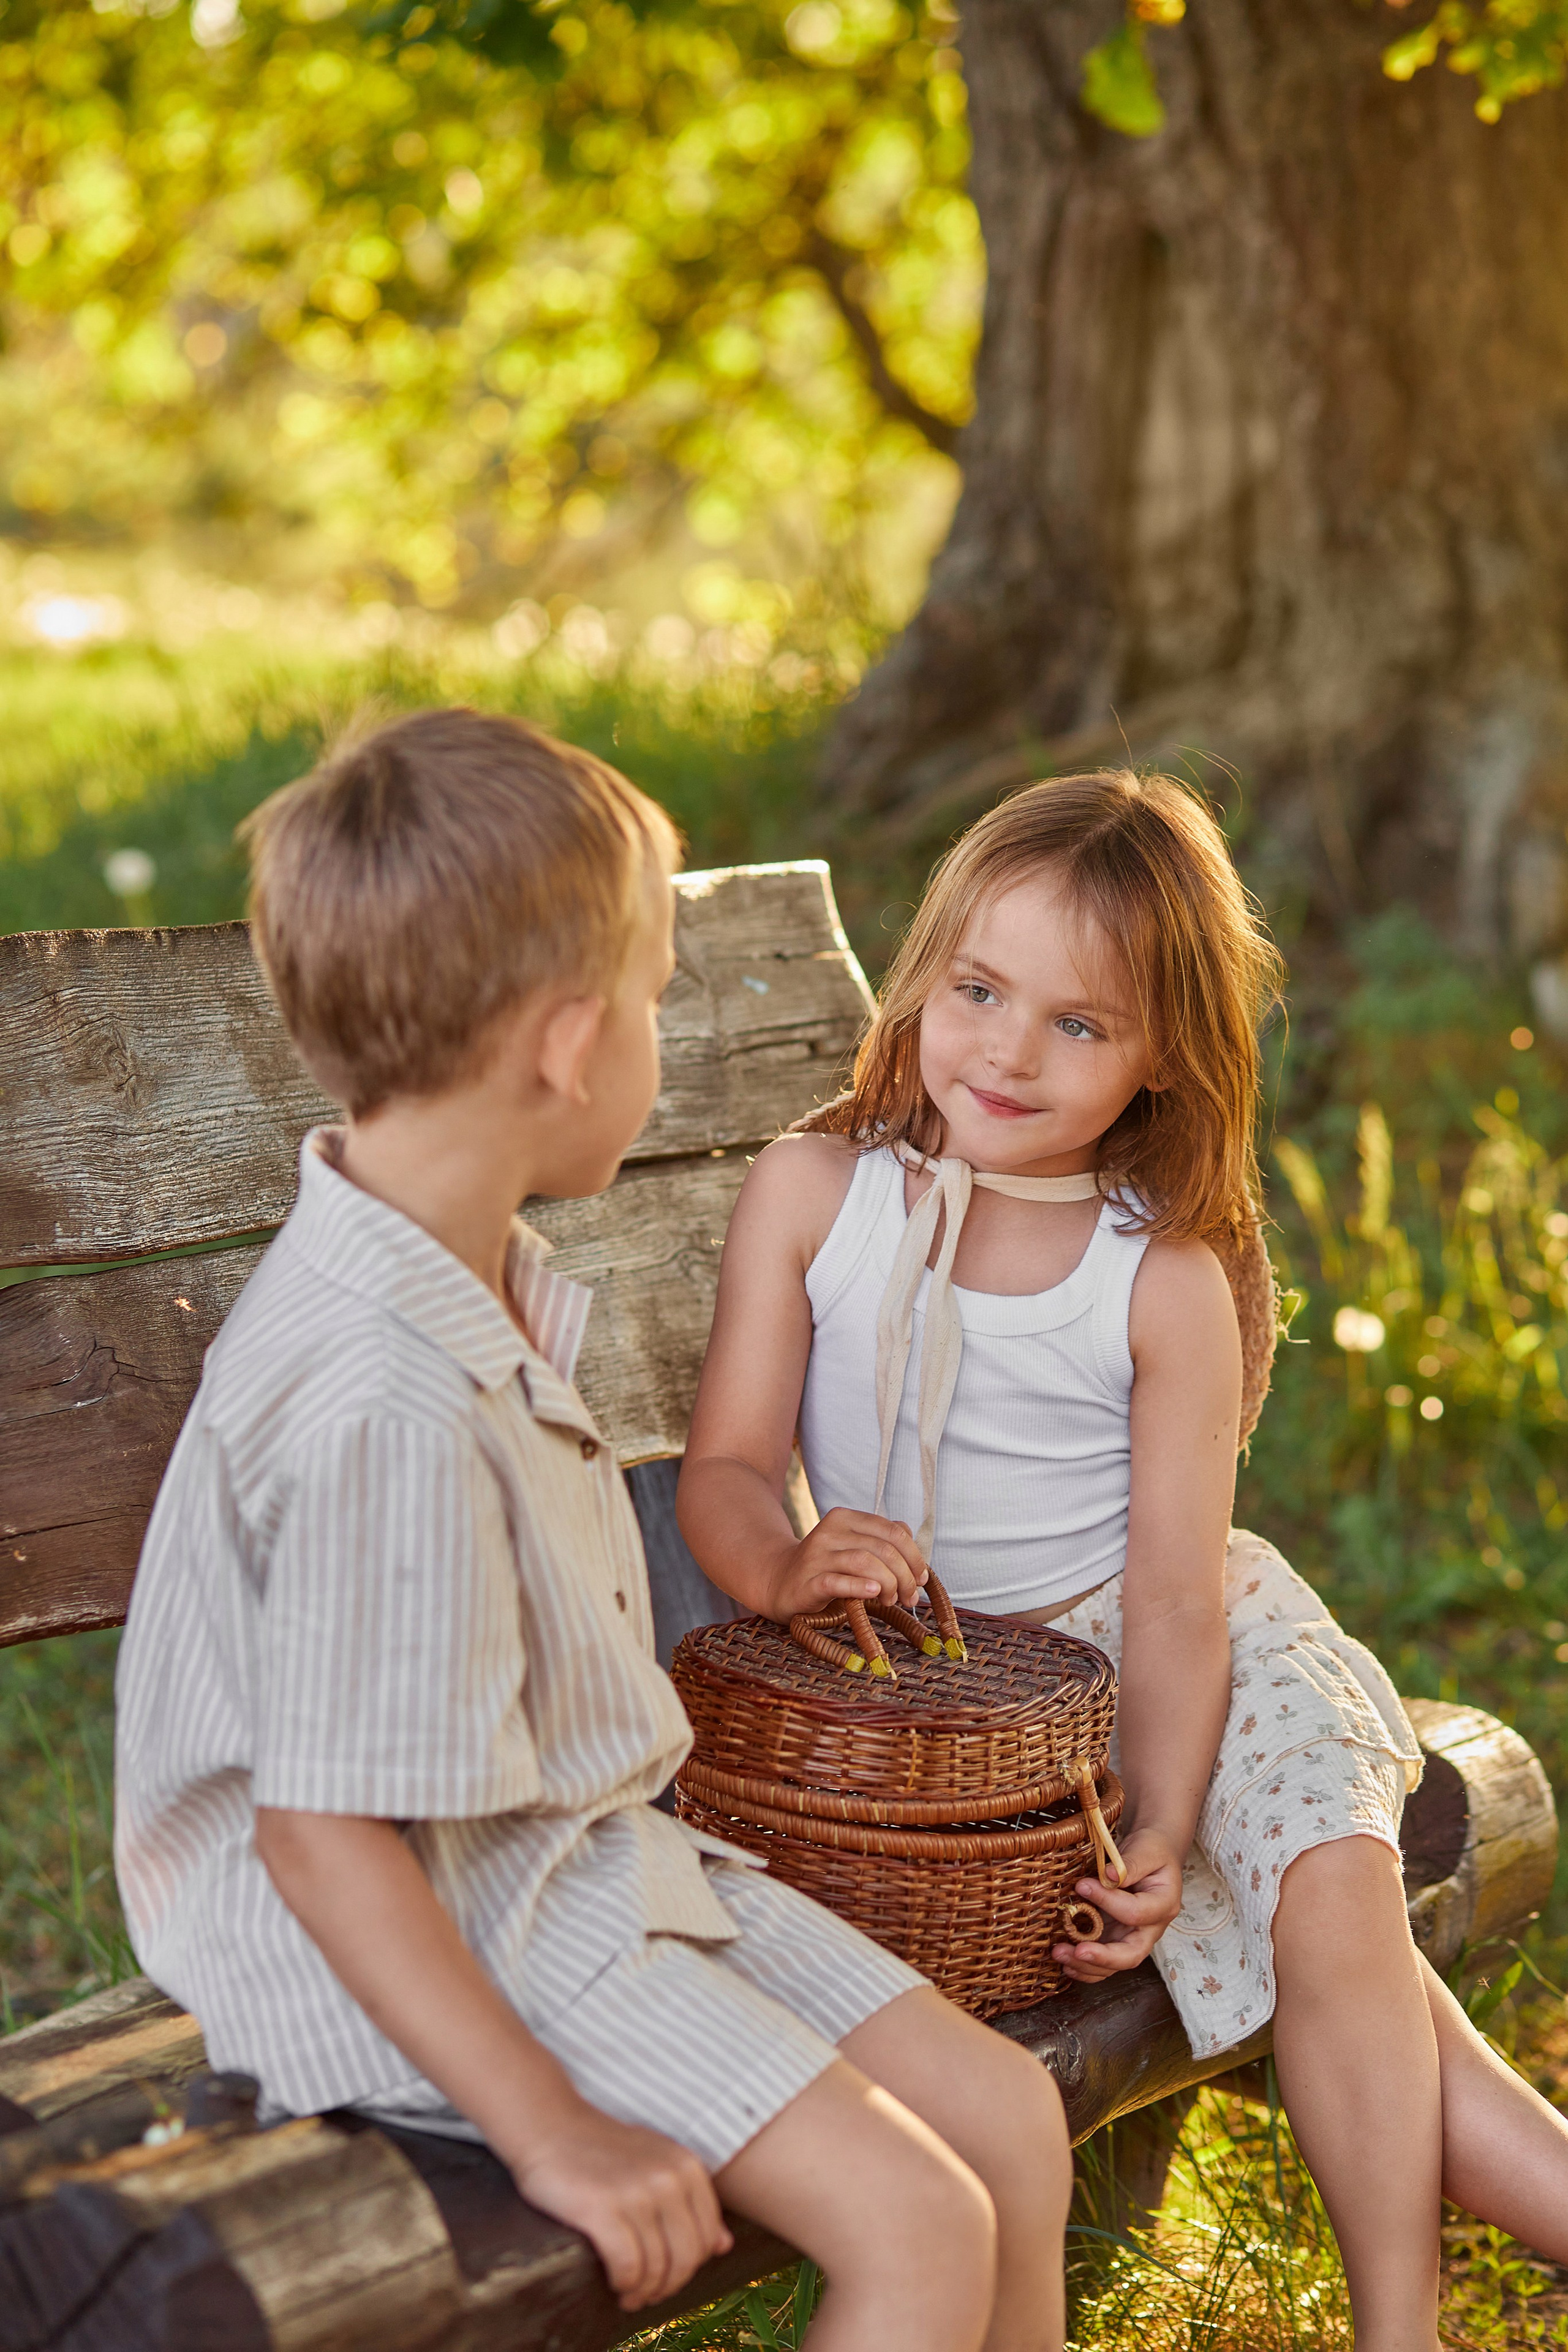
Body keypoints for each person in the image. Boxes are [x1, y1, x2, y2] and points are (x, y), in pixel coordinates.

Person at [113, 709, 1072, 2352]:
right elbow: (325, 1840)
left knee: (1004, 2122)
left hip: (579, 1857)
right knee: (917, 2226)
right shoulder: (379, 1397)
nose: (655, 1024)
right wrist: (551, 2132)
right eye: (648, 994)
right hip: (425, 1935)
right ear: (567, 1044)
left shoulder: (455, 1269)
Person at [677, 769, 1568, 2352]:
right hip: (964, 1694)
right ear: (927, 971)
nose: (1009, 1052)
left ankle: (1399, 2329)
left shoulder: (1159, 1272)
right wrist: (788, 1562)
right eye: (979, 991)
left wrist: (1158, 1822)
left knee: (1328, 1885)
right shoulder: (817, 1199)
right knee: (1363, 1988)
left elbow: (1172, 1595)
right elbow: (730, 1472)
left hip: (1177, 1644)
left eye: (1079, 1026)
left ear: (1165, 1058)